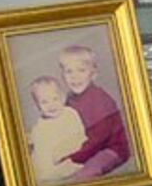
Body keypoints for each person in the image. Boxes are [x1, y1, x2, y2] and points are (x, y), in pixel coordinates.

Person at [54, 43, 135, 177]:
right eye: (69, 71)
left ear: (93, 74)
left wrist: (74, 158)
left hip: (110, 148)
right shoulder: (69, 100)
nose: (75, 76)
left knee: (86, 173)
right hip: (85, 145)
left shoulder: (100, 100)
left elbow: (98, 140)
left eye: (81, 70)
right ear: (62, 75)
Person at [20, 76, 87, 185]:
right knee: (41, 169)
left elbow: (80, 135)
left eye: (55, 99)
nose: (51, 105)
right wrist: (50, 167)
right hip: (50, 160)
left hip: (69, 149)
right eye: (44, 102)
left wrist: (75, 149)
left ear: (62, 98)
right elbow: (43, 155)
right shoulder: (41, 128)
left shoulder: (71, 113)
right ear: (37, 106)